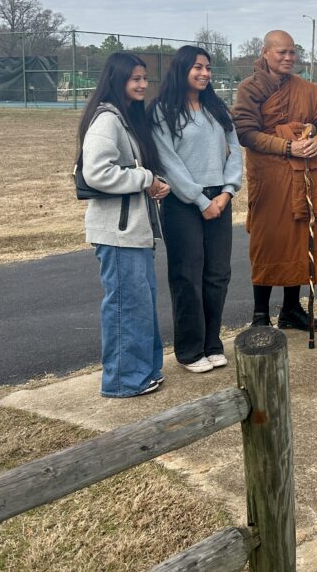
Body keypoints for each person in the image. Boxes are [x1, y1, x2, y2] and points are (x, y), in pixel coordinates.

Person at [232, 30, 317, 331]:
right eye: (281, 52)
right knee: (268, 240)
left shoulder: (308, 89)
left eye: (292, 52)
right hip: (269, 177)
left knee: (300, 237)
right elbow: (246, 133)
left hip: (305, 174)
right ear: (265, 53)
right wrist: (288, 146)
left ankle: (291, 310)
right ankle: (260, 314)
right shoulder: (250, 88)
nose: (288, 58)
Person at [78, 52, 171, 398]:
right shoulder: (107, 120)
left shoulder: (126, 119)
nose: (143, 85)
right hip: (117, 234)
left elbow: (128, 170)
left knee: (141, 302)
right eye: (135, 79)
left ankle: (144, 370)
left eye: (145, 78)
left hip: (135, 231)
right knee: (125, 305)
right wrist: (146, 178)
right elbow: (97, 171)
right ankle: (123, 380)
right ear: (117, 80)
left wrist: (152, 181)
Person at [149, 45, 242, 373]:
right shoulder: (162, 111)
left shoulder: (217, 109)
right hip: (183, 203)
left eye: (207, 68)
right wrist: (201, 201)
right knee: (188, 276)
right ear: (182, 70)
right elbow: (167, 161)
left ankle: (212, 343)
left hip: (219, 199)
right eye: (197, 68)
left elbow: (234, 151)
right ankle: (190, 350)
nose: (204, 73)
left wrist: (227, 193)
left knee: (217, 274)